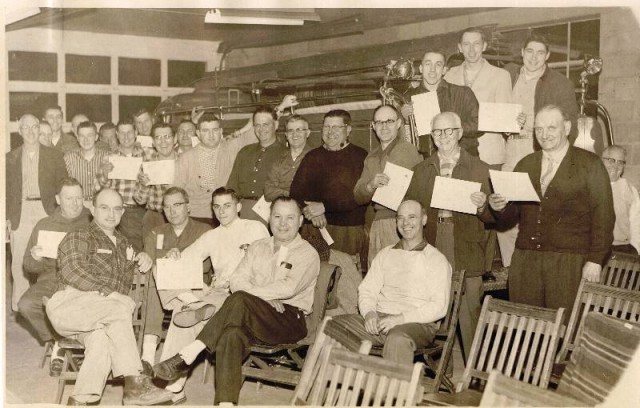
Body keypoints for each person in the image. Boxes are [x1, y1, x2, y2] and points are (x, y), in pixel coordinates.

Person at [152, 196, 320, 405]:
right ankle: (226, 403)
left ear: (301, 221)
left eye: (290, 218)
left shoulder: (307, 253)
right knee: (231, 334)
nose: (283, 223)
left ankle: (190, 352)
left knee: (240, 299)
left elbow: (288, 288)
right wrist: (263, 299)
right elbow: (237, 281)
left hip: (289, 319)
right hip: (254, 315)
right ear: (270, 218)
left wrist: (254, 296)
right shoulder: (257, 246)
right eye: (277, 216)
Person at [45, 188, 173, 405]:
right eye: (104, 207)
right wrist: (110, 293)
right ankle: (134, 385)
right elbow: (72, 271)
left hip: (99, 317)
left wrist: (143, 258)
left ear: (123, 213)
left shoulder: (124, 245)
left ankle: (78, 400)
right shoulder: (79, 235)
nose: (111, 214)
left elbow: (129, 287)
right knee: (118, 308)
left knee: (102, 340)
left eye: (116, 209)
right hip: (69, 305)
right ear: (93, 209)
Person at [486, 105, 614, 314]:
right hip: (526, 261)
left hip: (568, 262)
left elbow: (604, 217)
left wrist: (595, 260)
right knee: (523, 326)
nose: (544, 135)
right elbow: (511, 216)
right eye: (538, 129)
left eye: (551, 128)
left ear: (567, 127)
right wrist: (498, 207)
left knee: (563, 328)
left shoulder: (590, 164)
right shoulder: (526, 164)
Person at [150, 187, 269, 402]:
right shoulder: (212, 236)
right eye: (216, 207)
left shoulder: (255, 228)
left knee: (184, 314)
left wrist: (235, 279)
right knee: (163, 271)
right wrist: (175, 254)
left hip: (241, 293)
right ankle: (194, 304)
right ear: (212, 210)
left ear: (238, 206)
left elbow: (265, 264)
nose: (221, 211)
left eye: (227, 206)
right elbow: (186, 260)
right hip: (215, 291)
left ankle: (174, 387)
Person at [405, 112, 493, 362]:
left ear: (459, 133)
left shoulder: (480, 168)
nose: (443, 137)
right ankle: (441, 371)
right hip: (433, 239)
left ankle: (475, 373)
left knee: (469, 312)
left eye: (448, 131)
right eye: (437, 132)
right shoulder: (421, 170)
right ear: (431, 136)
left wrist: (482, 207)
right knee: (433, 309)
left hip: (465, 242)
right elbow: (411, 209)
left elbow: (494, 219)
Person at [332, 200, 451, 365]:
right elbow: (367, 290)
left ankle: (394, 390)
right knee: (332, 327)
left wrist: (399, 319)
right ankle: (343, 386)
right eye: (400, 218)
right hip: (381, 319)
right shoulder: (386, 254)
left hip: (415, 323)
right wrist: (369, 313)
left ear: (424, 220)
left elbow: (439, 306)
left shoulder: (436, 259)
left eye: (412, 217)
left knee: (397, 339)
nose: (406, 223)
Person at [498, 33, 581, 269]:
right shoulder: (509, 76)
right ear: (522, 52)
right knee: (506, 212)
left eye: (540, 53)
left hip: (537, 152)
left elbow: (570, 127)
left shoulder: (560, 83)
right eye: (530, 51)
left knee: (534, 214)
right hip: (510, 150)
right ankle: (510, 271)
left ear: (547, 56)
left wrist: (534, 126)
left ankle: (532, 271)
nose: (534, 58)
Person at [444, 28, 513, 279]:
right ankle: (462, 265)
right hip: (458, 152)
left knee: (487, 209)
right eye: (466, 44)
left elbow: (505, 117)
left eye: (477, 44)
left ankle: (484, 268)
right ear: (459, 48)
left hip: (490, 151)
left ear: (484, 46)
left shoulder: (500, 75)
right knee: (461, 208)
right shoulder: (449, 74)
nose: (472, 49)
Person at [139, 187, 212, 403]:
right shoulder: (156, 232)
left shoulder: (204, 230)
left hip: (194, 290)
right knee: (154, 276)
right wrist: (147, 257)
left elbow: (209, 265)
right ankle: (148, 355)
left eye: (177, 205)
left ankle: (175, 381)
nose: (172, 211)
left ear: (188, 206)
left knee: (183, 306)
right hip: (164, 291)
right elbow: (149, 259)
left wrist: (184, 261)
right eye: (167, 206)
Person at [18, 178, 91, 376]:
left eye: (79, 198)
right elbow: (28, 266)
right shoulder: (44, 224)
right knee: (26, 304)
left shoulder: (93, 221)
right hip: (51, 277)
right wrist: (36, 258)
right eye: (69, 198)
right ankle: (59, 341)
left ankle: (76, 343)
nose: (75, 203)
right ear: (58, 199)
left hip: (81, 280)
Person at [6, 113, 69, 311]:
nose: (31, 131)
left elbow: (63, 184)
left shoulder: (54, 155)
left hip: (47, 210)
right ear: (20, 130)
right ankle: (21, 307)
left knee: (50, 259)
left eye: (35, 127)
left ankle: (52, 305)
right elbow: (5, 190)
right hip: (21, 212)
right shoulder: (10, 157)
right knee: (18, 260)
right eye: (27, 127)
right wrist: (7, 217)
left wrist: (61, 211)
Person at [290, 109, 368, 266]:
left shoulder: (360, 156)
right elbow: (295, 192)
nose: (330, 131)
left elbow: (358, 196)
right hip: (312, 229)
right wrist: (311, 212)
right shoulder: (312, 156)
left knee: (345, 277)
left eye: (336, 127)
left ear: (348, 129)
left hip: (347, 231)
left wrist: (324, 207)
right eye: (326, 127)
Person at [353, 105, 422, 265]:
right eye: (379, 122)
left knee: (399, 276)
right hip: (378, 222)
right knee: (378, 277)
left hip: (401, 222)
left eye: (389, 121)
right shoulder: (371, 156)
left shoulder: (406, 150)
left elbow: (391, 194)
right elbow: (357, 195)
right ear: (373, 126)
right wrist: (370, 185)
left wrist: (370, 189)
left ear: (399, 123)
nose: (384, 127)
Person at [401, 50, 480, 156]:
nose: (432, 70)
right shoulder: (408, 97)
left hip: (463, 157)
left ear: (444, 70)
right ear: (421, 68)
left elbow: (480, 125)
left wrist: (452, 129)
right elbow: (404, 141)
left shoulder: (463, 93)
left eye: (438, 64)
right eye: (428, 64)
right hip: (427, 161)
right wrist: (406, 121)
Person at [226, 104, 292, 223]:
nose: (261, 129)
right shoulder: (244, 152)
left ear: (276, 125)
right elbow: (232, 187)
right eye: (257, 125)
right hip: (241, 213)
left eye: (266, 124)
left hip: (271, 214)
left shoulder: (286, 154)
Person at [96, 118, 146, 251]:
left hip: (137, 210)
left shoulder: (148, 154)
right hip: (115, 210)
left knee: (134, 249)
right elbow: (102, 185)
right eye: (122, 133)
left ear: (136, 132)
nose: (126, 137)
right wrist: (105, 174)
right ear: (117, 134)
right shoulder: (109, 157)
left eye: (129, 132)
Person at [134, 123, 180, 238]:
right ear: (153, 142)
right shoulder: (148, 164)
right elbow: (139, 200)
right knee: (152, 253)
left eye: (167, 137)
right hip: (155, 217)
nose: (163, 142)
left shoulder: (184, 161)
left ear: (175, 139)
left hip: (180, 216)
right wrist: (144, 185)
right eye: (158, 138)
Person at [263, 114, 313, 202]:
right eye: (290, 131)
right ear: (286, 135)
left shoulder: (318, 158)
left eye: (299, 130)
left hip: (307, 211)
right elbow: (268, 192)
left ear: (308, 133)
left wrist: (281, 192)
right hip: (282, 209)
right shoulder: (279, 159)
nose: (294, 134)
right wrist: (292, 194)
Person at [601, 145, 640, 255]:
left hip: (621, 249)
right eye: (611, 160)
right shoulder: (590, 185)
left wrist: (636, 250)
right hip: (592, 249)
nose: (615, 166)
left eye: (620, 162)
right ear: (601, 161)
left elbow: (636, 223)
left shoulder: (629, 189)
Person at [63, 121, 109, 208]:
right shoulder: (68, 158)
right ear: (77, 137)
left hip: (101, 205)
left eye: (90, 135)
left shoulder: (107, 157)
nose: (86, 140)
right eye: (82, 136)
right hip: (78, 205)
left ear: (96, 137)